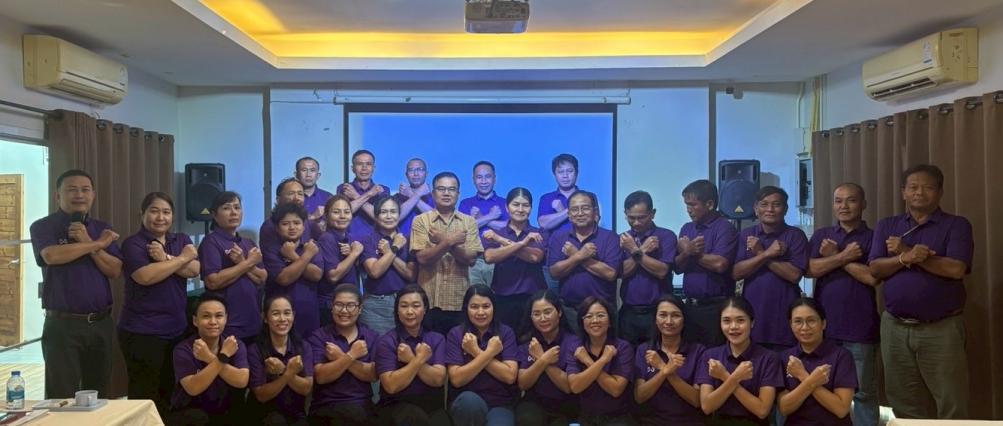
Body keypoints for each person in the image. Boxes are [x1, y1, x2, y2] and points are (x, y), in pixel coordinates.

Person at [868, 164, 973, 419]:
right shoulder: (888, 225)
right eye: (913, 187)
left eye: (927, 187)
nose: (919, 193)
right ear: (903, 192)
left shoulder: (956, 225)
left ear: (940, 192)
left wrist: (906, 251)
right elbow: (875, 269)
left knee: (951, 401)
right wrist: (906, 257)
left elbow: (956, 269)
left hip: (941, 328)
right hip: (894, 326)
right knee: (903, 401)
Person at [30, 169, 123, 398]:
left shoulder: (101, 228)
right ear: (57, 196)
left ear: (93, 195)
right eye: (72, 189)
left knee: (98, 395)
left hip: (101, 323)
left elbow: (114, 269)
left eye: (85, 190)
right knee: (61, 396)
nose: (79, 195)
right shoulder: (44, 226)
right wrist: (97, 244)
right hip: (63, 326)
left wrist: (88, 240)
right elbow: (51, 256)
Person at [119, 192, 200, 417]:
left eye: (166, 212)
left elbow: (195, 270)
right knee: (144, 395)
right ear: (142, 214)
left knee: (170, 392)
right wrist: (181, 259)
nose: (161, 217)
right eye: (154, 211)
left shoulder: (180, 239)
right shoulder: (133, 243)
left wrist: (165, 258)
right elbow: (145, 276)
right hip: (142, 332)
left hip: (176, 329)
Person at [805, 183, 879, 426]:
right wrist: (843, 256)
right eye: (838, 201)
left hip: (861, 329)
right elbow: (810, 270)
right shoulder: (822, 235)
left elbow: (872, 277)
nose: (843, 206)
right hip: (823, 329)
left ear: (863, 204)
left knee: (863, 393)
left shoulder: (873, 236)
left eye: (851, 200)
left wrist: (835, 256)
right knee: (821, 389)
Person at [732, 186, 808, 350]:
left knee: (786, 365)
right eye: (764, 204)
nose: (770, 209)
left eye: (776, 204)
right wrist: (766, 254)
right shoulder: (746, 235)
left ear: (785, 209)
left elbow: (794, 275)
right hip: (752, 317)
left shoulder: (795, 235)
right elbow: (736, 273)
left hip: (784, 319)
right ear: (756, 208)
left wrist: (760, 252)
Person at [411, 172, 484, 335]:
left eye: (451, 189)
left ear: (458, 194)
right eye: (441, 189)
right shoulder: (421, 220)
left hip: (459, 300)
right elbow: (422, 258)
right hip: (427, 301)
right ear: (433, 193)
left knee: (458, 348)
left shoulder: (469, 222)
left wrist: (441, 240)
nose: (446, 193)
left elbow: (470, 259)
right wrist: (450, 241)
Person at [696, 297, 783, 426]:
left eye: (740, 320)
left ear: (752, 322)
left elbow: (762, 410)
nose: (733, 327)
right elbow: (707, 406)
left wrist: (725, 376)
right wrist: (735, 378)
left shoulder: (769, 358)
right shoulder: (710, 356)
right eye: (726, 321)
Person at [373, 285, 449, 426]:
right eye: (404, 306)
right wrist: (418, 360)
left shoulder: (437, 339)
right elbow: (391, 386)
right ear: (397, 310)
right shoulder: (387, 341)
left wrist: (410, 359)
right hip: (396, 407)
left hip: (431, 406)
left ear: (425, 309)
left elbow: (438, 380)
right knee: (412, 418)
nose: (409, 311)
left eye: (416, 306)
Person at [169, 293, 249, 425]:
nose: (213, 322)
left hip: (224, 410)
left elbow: (242, 381)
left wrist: (210, 357)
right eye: (206, 316)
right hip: (191, 411)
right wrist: (223, 357)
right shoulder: (183, 349)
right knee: (197, 417)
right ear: (195, 321)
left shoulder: (234, 345)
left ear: (226, 318)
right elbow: (193, 388)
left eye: (219, 316)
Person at [199, 191, 267, 345]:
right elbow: (213, 281)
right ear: (215, 215)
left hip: (253, 321)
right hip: (227, 325)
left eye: (237, 207)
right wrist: (247, 263)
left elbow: (262, 278)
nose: (233, 212)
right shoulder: (211, 242)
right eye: (226, 208)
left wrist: (242, 261)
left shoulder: (248, 242)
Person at [675, 180, 737, 347]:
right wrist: (686, 253)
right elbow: (677, 268)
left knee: (714, 354)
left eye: (693, 205)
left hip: (715, 308)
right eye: (686, 205)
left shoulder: (724, 228)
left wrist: (693, 253)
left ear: (709, 204)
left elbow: (720, 264)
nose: (688, 210)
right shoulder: (687, 228)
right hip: (689, 306)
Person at [445, 285, 519, 426]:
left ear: (494, 308)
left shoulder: (506, 332)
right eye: (474, 307)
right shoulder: (456, 334)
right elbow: (457, 379)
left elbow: (510, 377)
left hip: (500, 403)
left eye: (486, 306)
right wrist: (490, 353)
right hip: (466, 402)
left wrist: (475, 351)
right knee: (469, 402)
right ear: (466, 308)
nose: (480, 312)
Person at [547, 191, 620, 329]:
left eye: (585, 208)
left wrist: (574, 254)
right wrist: (579, 256)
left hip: (602, 310)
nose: (580, 213)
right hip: (569, 310)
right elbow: (554, 273)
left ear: (595, 211)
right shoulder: (558, 237)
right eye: (575, 209)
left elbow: (610, 274)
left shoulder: (610, 237)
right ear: (569, 214)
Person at [778, 298, 856, 426]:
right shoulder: (785, 357)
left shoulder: (841, 356)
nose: (805, 327)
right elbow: (784, 408)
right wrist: (812, 381)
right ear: (791, 324)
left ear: (823, 323)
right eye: (798, 321)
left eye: (811, 320)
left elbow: (841, 409)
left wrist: (803, 375)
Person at [307, 284, 379, 425]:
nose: (344, 310)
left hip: (362, 406)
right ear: (332, 307)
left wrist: (340, 357)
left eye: (350, 305)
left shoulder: (371, 336)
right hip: (326, 407)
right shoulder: (319, 336)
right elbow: (320, 377)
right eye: (339, 305)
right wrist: (351, 355)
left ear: (360, 309)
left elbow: (372, 375)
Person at [633, 295, 705, 426]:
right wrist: (664, 371)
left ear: (684, 320)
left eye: (676, 315)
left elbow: (697, 400)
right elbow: (639, 396)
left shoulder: (698, 351)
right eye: (663, 315)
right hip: (651, 422)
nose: (669, 321)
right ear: (655, 319)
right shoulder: (644, 350)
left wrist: (664, 368)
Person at [619, 191, 677, 346]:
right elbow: (622, 272)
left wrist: (634, 250)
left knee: (656, 355)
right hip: (628, 312)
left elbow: (662, 271)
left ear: (653, 213)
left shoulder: (666, 236)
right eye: (631, 218)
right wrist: (642, 250)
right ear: (625, 214)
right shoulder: (623, 239)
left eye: (641, 217)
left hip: (658, 312)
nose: (636, 223)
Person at [565, 297, 635, 426]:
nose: (595, 320)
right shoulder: (576, 348)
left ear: (610, 321)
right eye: (589, 316)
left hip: (618, 418)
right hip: (586, 417)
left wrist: (588, 361)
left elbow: (616, 389)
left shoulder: (623, 347)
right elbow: (575, 387)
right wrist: (603, 360)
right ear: (582, 322)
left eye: (601, 315)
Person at [482, 187, 546, 329]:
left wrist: (500, 241)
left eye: (526, 205)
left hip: (534, 298)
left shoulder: (539, 232)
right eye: (516, 205)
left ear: (531, 208)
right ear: (507, 207)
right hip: (502, 297)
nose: (521, 209)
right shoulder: (497, 232)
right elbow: (490, 257)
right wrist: (523, 244)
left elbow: (534, 257)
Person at [248, 295, 314, 426]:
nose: (282, 319)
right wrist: (288, 373)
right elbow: (261, 395)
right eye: (276, 314)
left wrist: (282, 370)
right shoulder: (255, 349)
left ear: (293, 315)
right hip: (265, 413)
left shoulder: (303, 346)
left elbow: (306, 388)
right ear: (265, 318)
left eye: (287, 313)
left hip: (295, 412)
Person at [514, 290, 576, 426]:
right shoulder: (528, 343)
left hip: (566, 404)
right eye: (536, 314)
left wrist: (541, 358)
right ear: (531, 317)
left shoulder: (574, 342)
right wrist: (543, 360)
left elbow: (568, 387)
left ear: (559, 312)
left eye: (547, 312)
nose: (542, 318)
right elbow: (523, 383)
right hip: (534, 403)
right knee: (527, 419)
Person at [262, 203, 324, 337]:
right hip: (279, 315)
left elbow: (316, 275)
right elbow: (283, 278)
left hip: (309, 312)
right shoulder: (272, 248)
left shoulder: (311, 246)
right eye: (285, 224)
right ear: (277, 227)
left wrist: (293, 256)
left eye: (297, 223)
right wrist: (307, 256)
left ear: (304, 225)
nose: (292, 228)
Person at [360, 195, 418, 335]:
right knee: (377, 346)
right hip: (376, 305)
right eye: (383, 212)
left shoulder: (408, 240)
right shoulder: (368, 240)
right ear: (376, 216)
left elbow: (411, 275)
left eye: (393, 212)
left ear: (399, 215)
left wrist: (388, 252)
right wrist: (395, 248)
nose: (389, 216)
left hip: (405, 303)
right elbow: (374, 272)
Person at [459, 161, 509, 287]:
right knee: (474, 296)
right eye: (479, 177)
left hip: (500, 259)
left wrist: (479, 219)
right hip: (473, 261)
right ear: (473, 180)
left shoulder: (505, 203)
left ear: (494, 178)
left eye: (488, 176)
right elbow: (463, 230)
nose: (484, 181)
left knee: (498, 297)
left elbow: (508, 227)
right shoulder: (465, 203)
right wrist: (491, 216)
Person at [537, 154, 582, 292]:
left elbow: (592, 221)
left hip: (583, 257)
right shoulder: (546, 198)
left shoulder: (587, 197)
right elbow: (544, 223)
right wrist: (569, 210)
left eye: (569, 171)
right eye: (561, 172)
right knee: (553, 302)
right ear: (554, 174)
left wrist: (560, 211)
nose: (565, 176)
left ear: (576, 173)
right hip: (553, 260)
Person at [317, 194, 364, 325]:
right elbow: (333, 276)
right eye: (336, 212)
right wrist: (354, 254)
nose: (342, 216)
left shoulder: (349, 238)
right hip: (332, 305)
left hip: (350, 302)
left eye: (347, 212)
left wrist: (353, 256)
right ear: (326, 216)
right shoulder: (327, 238)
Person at [260, 178, 322, 259]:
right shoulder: (270, 226)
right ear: (278, 199)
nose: (297, 198)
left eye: (300, 194)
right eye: (291, 193)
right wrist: (305, 256)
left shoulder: (310, 224)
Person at [340, 150, 392, 235]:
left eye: (368, 164)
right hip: (349, 239)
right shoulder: (345, 188)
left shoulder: (383, 190)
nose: (364, 168)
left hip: (376, 240)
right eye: (360, 164)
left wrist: (355, 196)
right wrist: (369, 194)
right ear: (353, 168)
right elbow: (343, 213)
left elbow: (382, 218)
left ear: (373, 168)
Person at [395, 158, 434, 240]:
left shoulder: (435, 197)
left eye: (420, 169)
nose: (416, 174)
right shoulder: (397, 197)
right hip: (401, 243)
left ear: (426, 173)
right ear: (406, 174)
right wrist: (416, 195)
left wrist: (411, 195)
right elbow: (395, 218)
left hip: (428, 244)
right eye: (411, 170)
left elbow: (435, 219)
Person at [295, 156, 334, 229]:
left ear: (318, 175)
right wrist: (313, 217)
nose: (308, 175)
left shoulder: (328, 198)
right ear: (296, 175)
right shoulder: (291, 198)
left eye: (312, 170)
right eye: (304, 170)